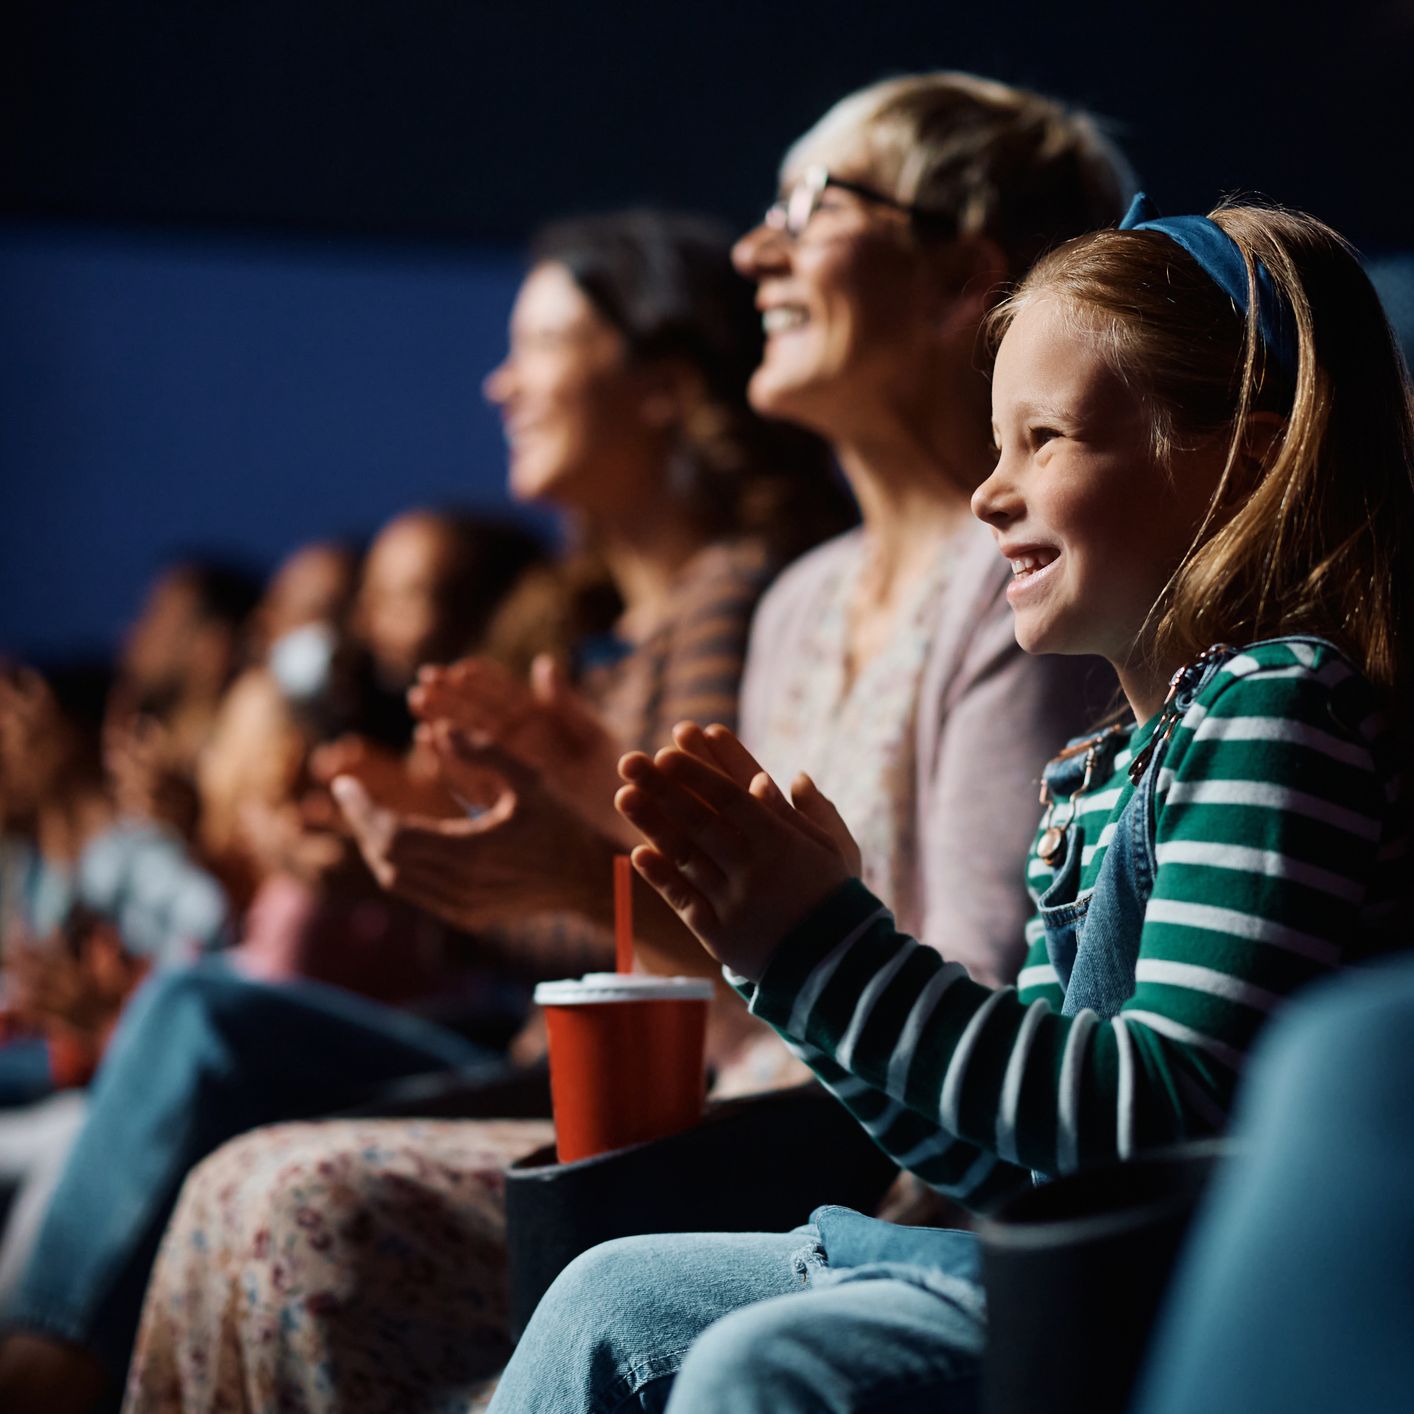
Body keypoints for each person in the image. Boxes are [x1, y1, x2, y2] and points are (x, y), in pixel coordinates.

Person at [123, 75, 1131, 1414]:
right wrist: (590, 837)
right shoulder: (800, 597)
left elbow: (975, 1020)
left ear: (964, 275)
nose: (753, 250)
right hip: (743, 1109)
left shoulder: (1019, 586)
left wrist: (582, 862)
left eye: (812, 208)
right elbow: (741, 997)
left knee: (296, 1201)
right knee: (248, 1168)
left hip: (847, 1149)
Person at [486, 197, 1414, 1413]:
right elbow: (1005, 1161)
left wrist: (828, 946)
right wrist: (792, 960)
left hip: (1170, 1297)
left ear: (1235, 463)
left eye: (1044, 438)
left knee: (768, 1361)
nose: (989, 491)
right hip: (1042, 1265)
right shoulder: (1102, 763)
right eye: (992, 444)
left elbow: (1149, 1120)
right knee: (610, 1292)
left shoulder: (1276, 705)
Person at [0, 212, 840, 1414]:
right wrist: (413, 865)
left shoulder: (722, 601)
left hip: (663, 1089)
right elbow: (601, 899)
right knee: (202, 1033)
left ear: (661, 386)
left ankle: (39, 1370)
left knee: (203, 1021)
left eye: (541, 343)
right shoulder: (625, 630)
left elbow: (668, 926)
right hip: (554, 1052)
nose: (500, 380)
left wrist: (476, 882)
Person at [1132, 956, 1414, 1414]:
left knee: (1361, 1056)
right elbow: (1022, 1171)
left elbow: (1168, 1108)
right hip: (1078, 1281)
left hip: (1149, 1281)